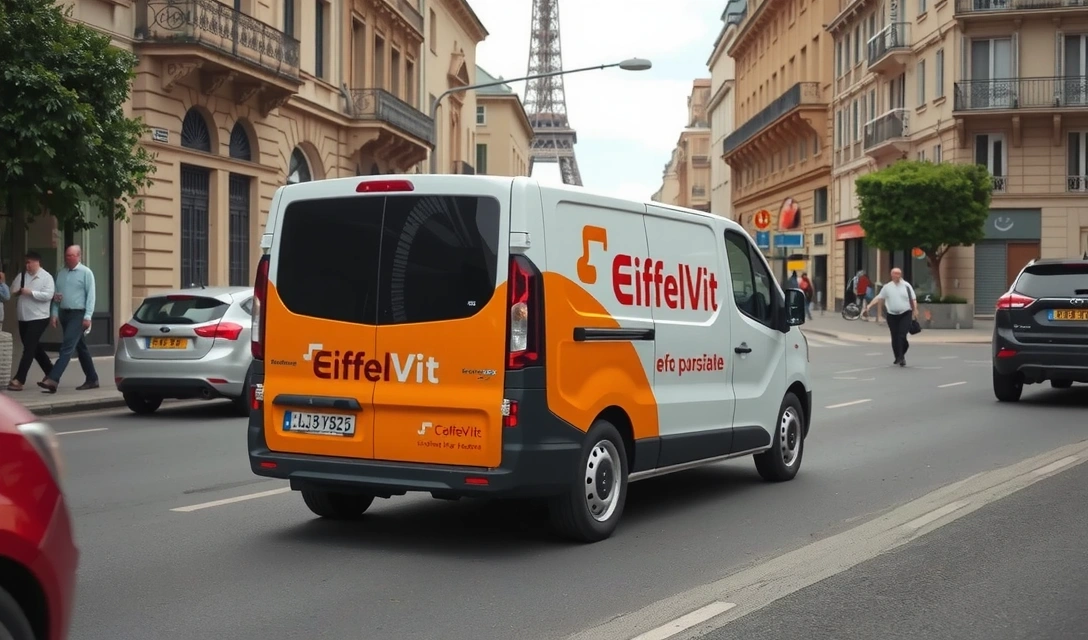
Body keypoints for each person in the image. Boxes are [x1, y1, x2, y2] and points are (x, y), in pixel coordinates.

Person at [39, 244, 99, 393]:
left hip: (78, 315)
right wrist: (54, 313)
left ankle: (53, 379)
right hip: (65, 314)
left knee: (66, 347)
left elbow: (91, 296)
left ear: (79, 256)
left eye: (71, 255)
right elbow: (57, 296)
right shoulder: (61, 273)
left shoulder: (86, 273)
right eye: (66, 255)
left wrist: (88, 316)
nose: (68, 258)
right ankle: (92, 378)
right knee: (81, 348)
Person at [7, 251, 55, 391]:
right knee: (33, 347)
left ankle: (19, 379)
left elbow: (48, 295)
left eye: (29, 263)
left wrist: (31, 293)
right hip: (24, 317)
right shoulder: (22, 275)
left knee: (28, 349)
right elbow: (13, 290)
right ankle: (51, 372)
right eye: (26, 262)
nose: (27, 266)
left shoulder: (46, 277)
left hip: (39, 317)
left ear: (37, 262)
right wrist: (17, 292)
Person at [863, 267, 918, 367]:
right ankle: (898, 356)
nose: (897, 276)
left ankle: (902, 356)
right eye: (895, 274)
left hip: (905, 313)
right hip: (892, 314)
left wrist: (915, 310)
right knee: (895, 336)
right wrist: (869, 306)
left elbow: (913, 299)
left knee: (902, 335)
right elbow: (879, 297)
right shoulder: (887, 287)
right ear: (891, 275)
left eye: (899, 274)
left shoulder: (906, 286)